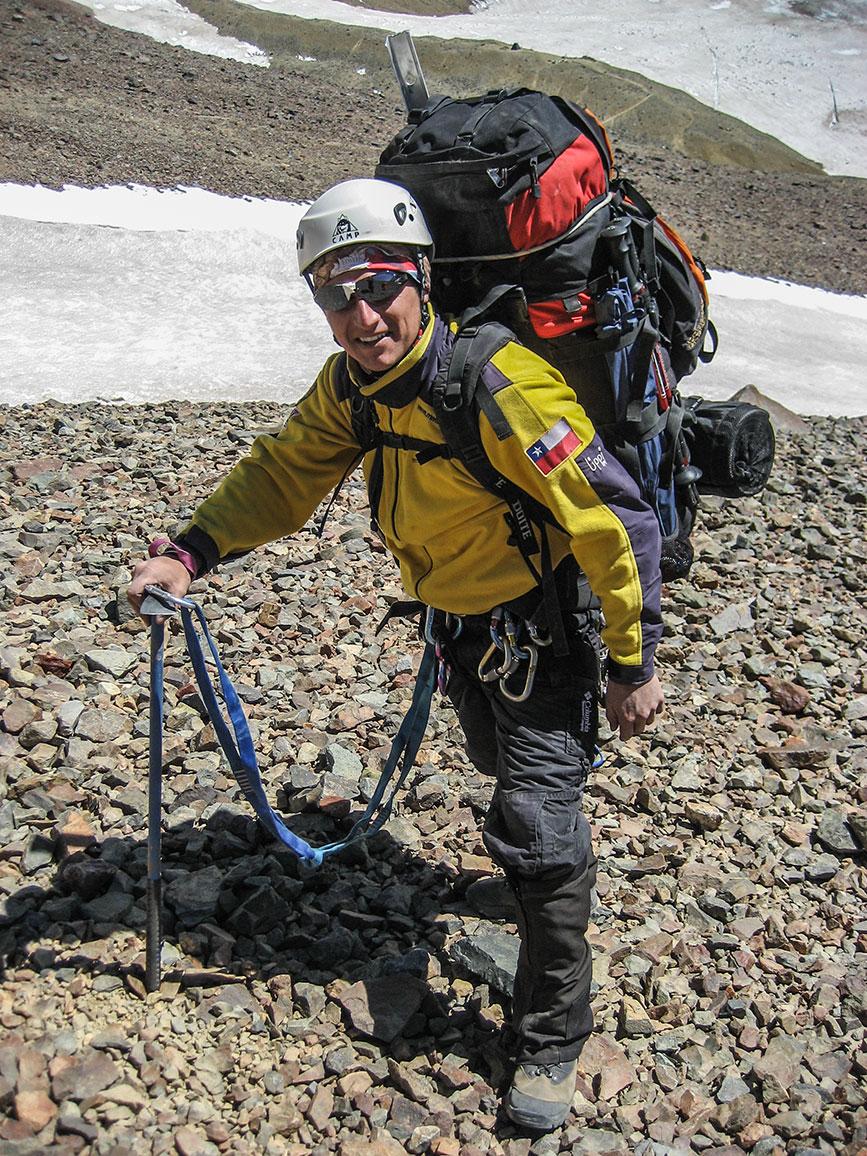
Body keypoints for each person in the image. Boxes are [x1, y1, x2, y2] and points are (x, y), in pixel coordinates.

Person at [127, 178, 665, 1133]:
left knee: (536, 823)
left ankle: (551, 1029)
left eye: (379, 288)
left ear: (421, 279)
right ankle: (533, 880)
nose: (361, 315)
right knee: (503, 767)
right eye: (337, 297)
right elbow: (284, 472)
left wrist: (632, 661)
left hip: (545, 635)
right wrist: (188, 551)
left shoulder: (495, 384)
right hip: (461, 629)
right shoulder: (355, 388)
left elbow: (614, 517)